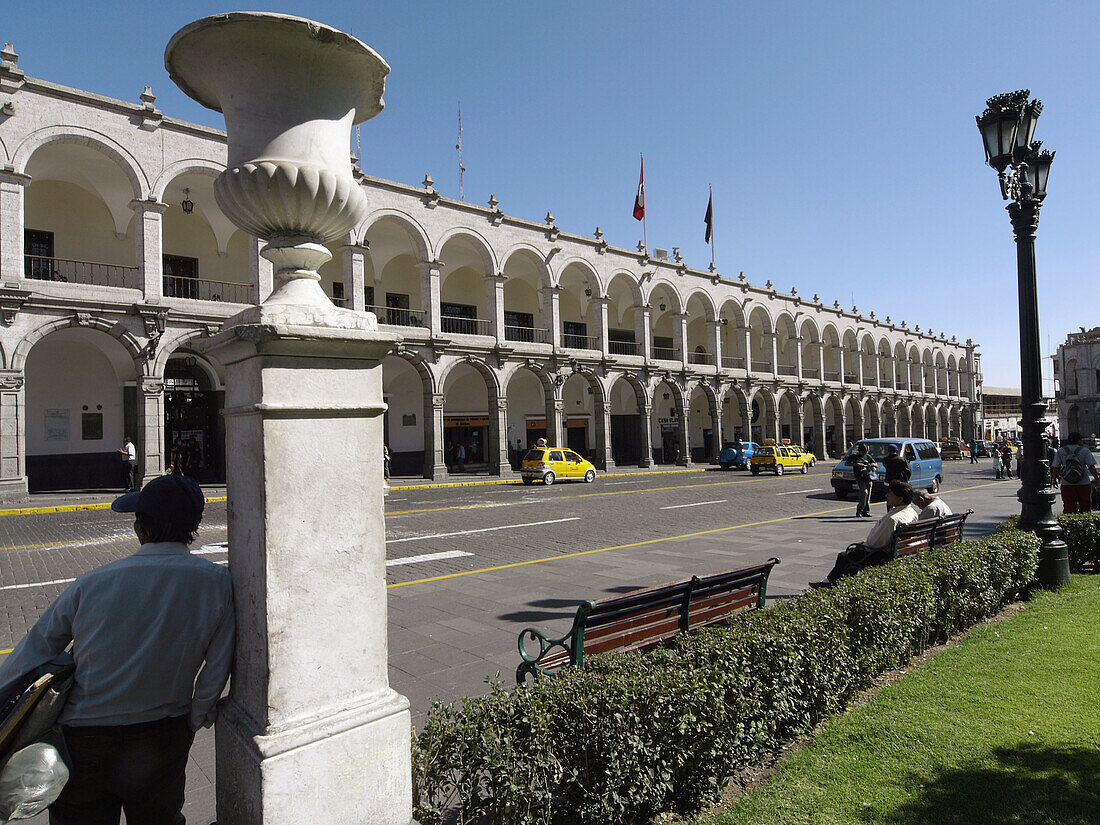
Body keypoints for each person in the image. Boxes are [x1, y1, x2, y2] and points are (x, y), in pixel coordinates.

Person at [0, 474, 234, 825]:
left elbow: (30, 653)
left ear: (140, 527)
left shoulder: (93, 583)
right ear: (195, 526)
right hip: (162, 734)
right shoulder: (217, 583)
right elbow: (218, 667)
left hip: (85, 742)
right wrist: (193, 719)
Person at [810, 481, 919, 588]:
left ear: (900, 499)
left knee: (844, 556)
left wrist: (865, 545)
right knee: (852, 555)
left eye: (890, 494)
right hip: (900, 551)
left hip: (881, 555)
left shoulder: (893, 519)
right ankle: (833, 582)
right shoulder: (912, 513)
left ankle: (831, 584)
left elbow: (875, 545)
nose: (886, 495)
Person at [1052, 431, 1099, 514]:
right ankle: (1084, 524)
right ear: (1079, 440)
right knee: (1085, 506)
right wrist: (1097, 479)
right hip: (1083, 482)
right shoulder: (1085, 451)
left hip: (1067, 483)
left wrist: (1054, 478)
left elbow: (1056, 466)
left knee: (1069, 506)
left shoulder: (1061, 451)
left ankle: (1070, 524)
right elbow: (1091, 466)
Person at [851, 444, 876, 518]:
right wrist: (857, 464)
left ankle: (866, 511)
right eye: (863, 452)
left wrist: (872, 464)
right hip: (859, 477)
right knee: (864, 492)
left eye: (866, 452)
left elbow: (876, 464)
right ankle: (859, 511)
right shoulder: (854, 457)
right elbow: (847, 463)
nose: (865, 454)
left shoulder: (867, 456)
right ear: (860, 451)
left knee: (868, 495)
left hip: (868, 477)